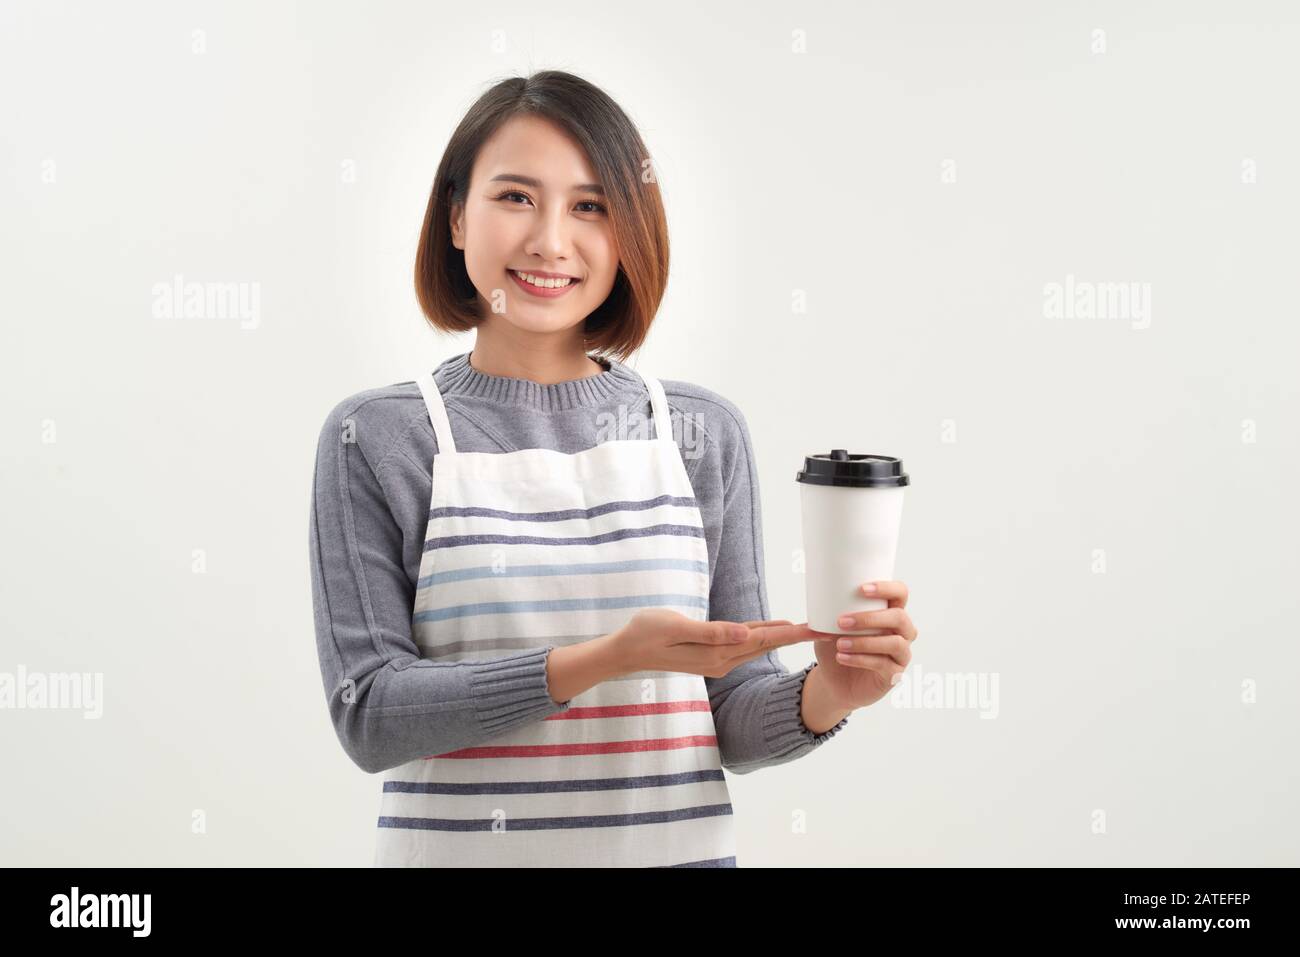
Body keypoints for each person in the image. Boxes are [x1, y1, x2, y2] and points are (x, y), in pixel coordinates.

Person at [308, 70, 918, 867]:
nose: (551, 241)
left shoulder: (699, 432)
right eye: (516, 197)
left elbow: (727, 712)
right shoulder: (379, 436)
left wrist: (832, 691)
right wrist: (607, 658)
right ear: (456, 216)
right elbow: (372, 714)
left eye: (589, 206)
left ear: (628, 230)